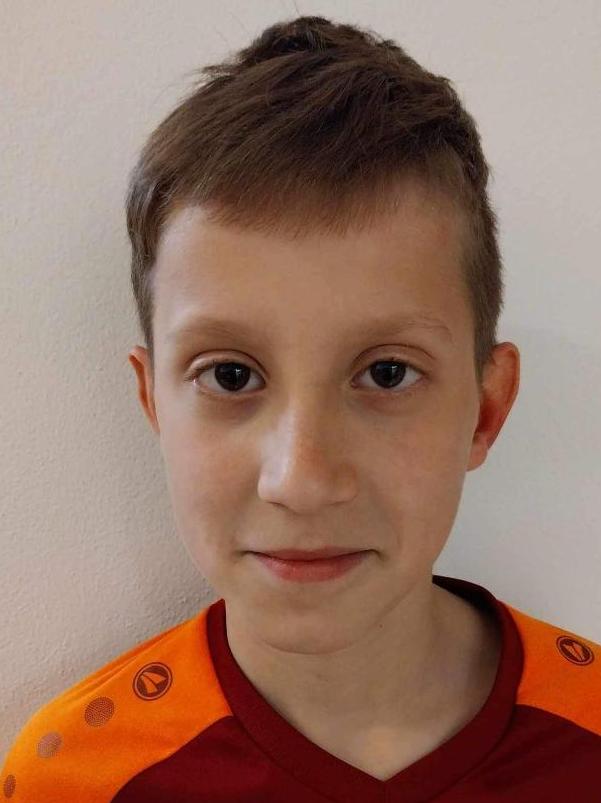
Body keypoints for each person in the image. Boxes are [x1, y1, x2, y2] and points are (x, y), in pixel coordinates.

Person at [3, 15, 600, 802]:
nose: (301, 478)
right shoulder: (73, 780)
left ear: (485, 410)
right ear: (153, 405)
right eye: (230, 376)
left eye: (385, 373)